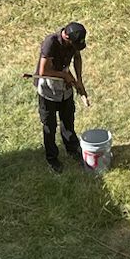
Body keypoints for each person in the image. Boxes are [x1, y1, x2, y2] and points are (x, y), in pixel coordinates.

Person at [34, 21, 89, 170]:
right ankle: (52, 158)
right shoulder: (50, 43)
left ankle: (72, 149)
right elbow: (43, 71)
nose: (75, 48)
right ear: (66, 37)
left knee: (68, 120)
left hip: (65, 88)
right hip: (48, 89)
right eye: (74, 44)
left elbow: (77, 57)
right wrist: (65, 76)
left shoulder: (73, 42)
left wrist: (79, 80)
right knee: (50, 125)